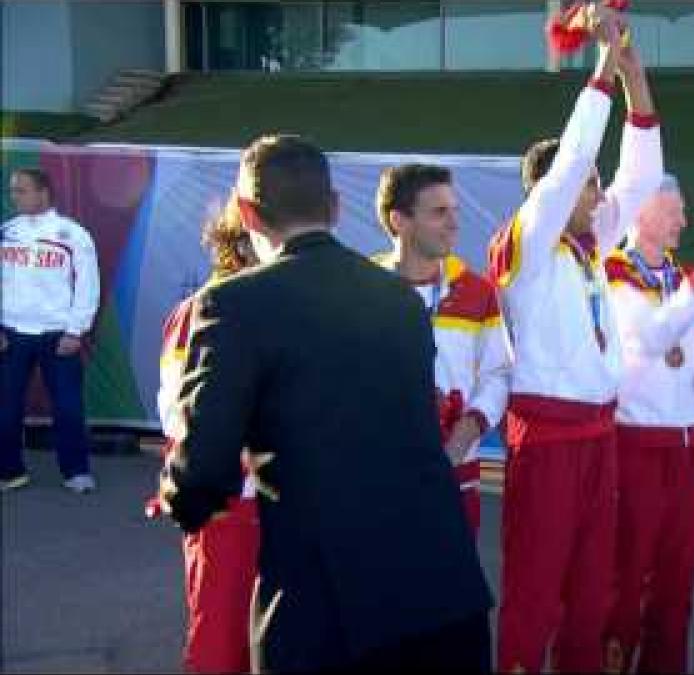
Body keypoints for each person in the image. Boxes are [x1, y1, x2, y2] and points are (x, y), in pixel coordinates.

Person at [157, 134, 492, 672]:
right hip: (444, 588)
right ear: (335, 208)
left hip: (329, 606)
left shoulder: (231, 304)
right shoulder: (399, 299)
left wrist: (181, 496)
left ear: (246, 213)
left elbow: (203, 472)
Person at [485, 10, 665, 671]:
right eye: (592, 182)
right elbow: (567, 173)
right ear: (547, 191)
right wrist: (601, 66)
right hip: (548, 437)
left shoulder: (589, 246)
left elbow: (640, 179)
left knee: (593, 590)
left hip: (599, 436)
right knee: (537, 589)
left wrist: (635, 79)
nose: (601, 191)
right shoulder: (527, 244)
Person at [602, 174, 694, 673]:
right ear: (640, 213)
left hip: (691, 442)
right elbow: (653, 338)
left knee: (678, 581)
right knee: (626, 576)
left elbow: (690, 357)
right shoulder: (610, 273)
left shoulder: (683, 280)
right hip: (635, 441)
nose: (684, 220)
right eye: (674, 210)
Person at [373, 163, 510, 535]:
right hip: (378, 477)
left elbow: (497, 374)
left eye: (455, 211)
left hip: (456, 473)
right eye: (439, 212)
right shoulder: (361, 291)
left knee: (450, 590)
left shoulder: (478, 292)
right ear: (399, 221)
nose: (453, 223)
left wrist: (469, 428)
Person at [156, 198, 260, 673]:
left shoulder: (294, 305)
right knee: (220, 634)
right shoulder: (199, 310)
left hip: (291, 500)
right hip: (227, 500)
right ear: (241, 243)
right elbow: (178, 410)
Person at [1, 167, 100, 493]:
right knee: (7, 405)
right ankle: (10, 472)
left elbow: (88, 287)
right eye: (13, 190)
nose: (14, 196)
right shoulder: (7, 232)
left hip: (58, 335)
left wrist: (75, 331)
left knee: (68, 406)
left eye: (22, 190)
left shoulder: (73, 235)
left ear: (43, 192)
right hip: (11, 333)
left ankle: (76, 472)